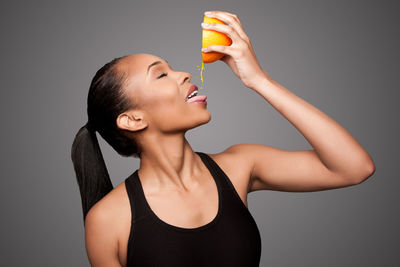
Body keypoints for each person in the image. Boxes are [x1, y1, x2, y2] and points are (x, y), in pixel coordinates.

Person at [71, 10, 375, 267]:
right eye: (161, 75)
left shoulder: (240, 166)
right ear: (133, 119)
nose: (184, 75)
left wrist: (258, 80)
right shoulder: (108, 220)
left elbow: (353, 167)